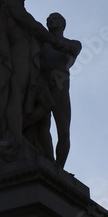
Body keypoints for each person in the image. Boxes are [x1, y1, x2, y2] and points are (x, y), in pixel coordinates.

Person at [0, 0, 68, 151]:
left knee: (46, 102)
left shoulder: (9, 6)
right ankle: (14, 137)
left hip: (27, 58)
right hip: (20, 56)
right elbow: (31, 24)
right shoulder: (11, 4)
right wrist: (54, 41)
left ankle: (18, 130)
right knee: (17, 95)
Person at [37, 13, 81, 168]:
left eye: (54, 18)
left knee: (63, 131)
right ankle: (48, 160)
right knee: (42, 124)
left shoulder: (73, 43)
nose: (50, 21)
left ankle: (59, 168)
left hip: (60, 85)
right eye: (48, 19)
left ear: (63, 23)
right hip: (42, 84)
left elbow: (70, 51)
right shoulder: (40, 43)